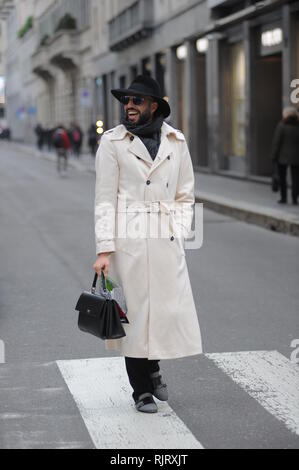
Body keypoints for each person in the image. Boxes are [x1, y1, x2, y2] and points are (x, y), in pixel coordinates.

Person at [93, 75, 202, 414]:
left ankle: (153, 368)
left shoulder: (176, 140)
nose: (130, 106)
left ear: (154, 106)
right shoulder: (112, 143)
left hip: (165, 240)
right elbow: (104, 200)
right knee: (135, 315)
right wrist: (104, 249)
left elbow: (186, 193)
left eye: (137, 101)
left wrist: (179, 228)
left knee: (165, 311)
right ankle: (141, 389)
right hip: (129, 242)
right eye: (126, 101)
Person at [272, 107, 299, 205]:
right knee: (296, 178)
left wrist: (274, 156)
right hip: (296, 157)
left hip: (282, 157)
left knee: (282, 177)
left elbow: (277, 142)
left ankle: (284, 198)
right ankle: (295, 199)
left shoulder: (282, 125)